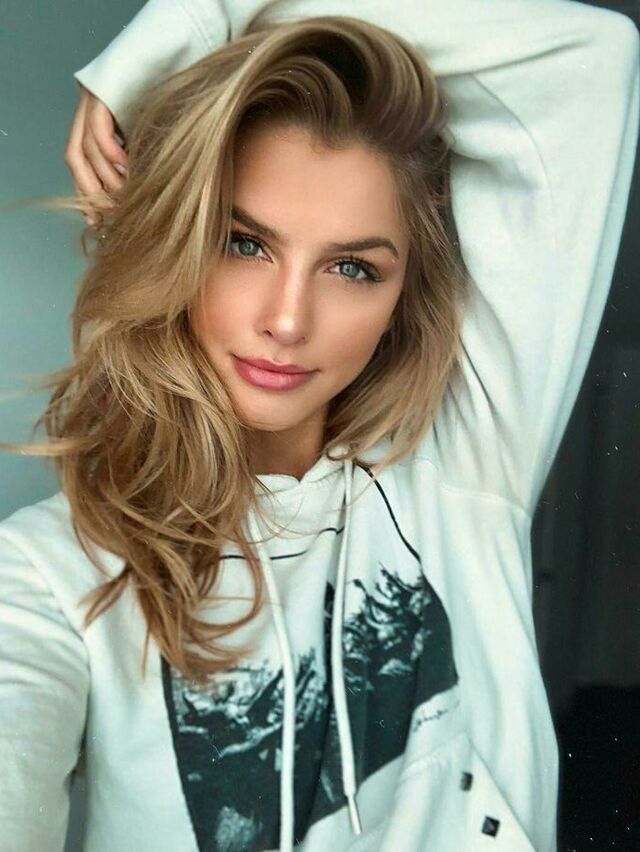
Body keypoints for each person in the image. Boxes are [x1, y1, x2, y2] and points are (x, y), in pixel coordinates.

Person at [0, 0, 638, 850]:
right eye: (244, 243)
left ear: (402, 295)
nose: (288, 320)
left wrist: (204, 15)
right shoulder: (50, 572)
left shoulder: (460, 465)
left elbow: (592, 57)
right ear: (175, 242)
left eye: (351, 268)